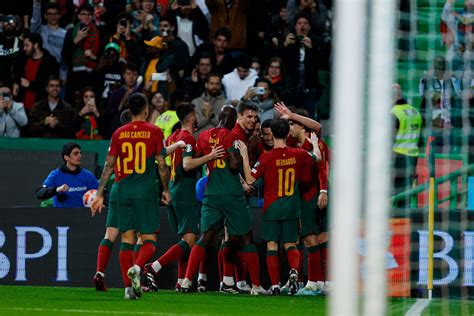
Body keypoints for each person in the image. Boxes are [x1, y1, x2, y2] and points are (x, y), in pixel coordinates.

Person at [91, 93, 178, 300]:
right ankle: (137, 267)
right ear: (146, 109)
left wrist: (99, 193)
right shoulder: (155, 131)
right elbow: (162, 164)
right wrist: (166, 189)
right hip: (145, 190)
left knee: (126, 239)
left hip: (121, 190)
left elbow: (109, 166)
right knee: (149, 239)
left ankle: (129, 289)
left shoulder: (119, 133)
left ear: (129, 110)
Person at [179, 106, 266, 295]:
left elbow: (194, 160)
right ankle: (256, 286)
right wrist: (245, 151)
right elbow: (235, 166)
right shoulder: (232, 136)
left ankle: (187, 281)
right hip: (232, 194)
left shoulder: (203, 136)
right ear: (235, 119)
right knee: (245, 238)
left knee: (206, 237)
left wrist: (210, 158)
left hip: (211, 193)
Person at [144, 102, 225, 291]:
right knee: (190, 240)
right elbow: (188, 165)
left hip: (173, 189)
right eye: (195, 114)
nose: (197, 117)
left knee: (185, 240)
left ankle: (181, 281)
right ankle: (154, 267)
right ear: (191, 117)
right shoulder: (187, 138)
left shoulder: (173, 136)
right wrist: (210, 156)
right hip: (184, 192)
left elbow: (161, 160)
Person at [237, 118, 321, 295]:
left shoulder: (266, 157)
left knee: (272, 246)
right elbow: (317, 158)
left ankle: (275, 285)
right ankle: (294, 272)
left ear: (273, 134)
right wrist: (314, 144)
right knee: (291, 244)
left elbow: (250, 179)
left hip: (272, 208)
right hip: (292, 207)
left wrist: (244, 155)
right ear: (287, 133)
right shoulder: (298, 153)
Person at [36, 142, 99, 208]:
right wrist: (57, 189)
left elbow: (102, 193)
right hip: (61, 215)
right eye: (76, 154)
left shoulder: (87, 175)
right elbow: (39, 193)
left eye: (80, 153)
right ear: (66, 157)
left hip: (82, 215)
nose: (79, 155)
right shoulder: (55, 175)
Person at [13, 32, 60, 111]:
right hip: (22, 107)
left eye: (27, 45)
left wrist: (30, 84)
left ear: (35, 45)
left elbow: (50, 85)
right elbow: (17, 74)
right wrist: (15, 83)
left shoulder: (50, 62)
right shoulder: (23, 59)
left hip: (40, 108)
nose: (24, 48)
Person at [392, 84, 422, 196]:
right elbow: (420, 141)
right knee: (406, 197)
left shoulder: (394, 113)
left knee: (393, 197)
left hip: (397, 159)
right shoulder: (415, 111)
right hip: (413, 159)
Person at [30, 1, 67, 73]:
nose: (53, 17)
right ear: (45, 16)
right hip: (41, 70)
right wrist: (37, 5)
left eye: (55, 14)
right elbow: (35, 22)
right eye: (50, 14)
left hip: (58, 71)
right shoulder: (40, 30)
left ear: (60, 15)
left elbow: (65, 57)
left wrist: (63, 73)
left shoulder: (65, 34)